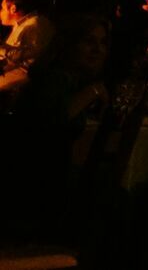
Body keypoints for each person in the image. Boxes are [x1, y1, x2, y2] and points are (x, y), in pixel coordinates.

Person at [1, 14, 111, 239]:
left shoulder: (68, 79)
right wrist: (93, 92)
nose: (97, 49)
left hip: (35, 187)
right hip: (29, 195)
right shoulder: (55, 79)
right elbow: (53, 124)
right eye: (89, 41)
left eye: (102, 43)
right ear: (70, 44)